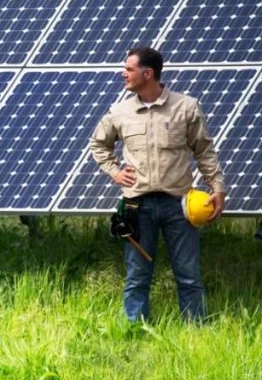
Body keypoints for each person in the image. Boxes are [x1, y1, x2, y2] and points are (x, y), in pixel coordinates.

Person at [90, 47, 226, 323]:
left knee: (188, 276)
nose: (122, 74)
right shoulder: (119, 111)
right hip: (136, 206)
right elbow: (98, 144)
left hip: (179, 206)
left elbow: (204, 151)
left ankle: (196, 331)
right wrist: (115, 172)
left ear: (147, 73)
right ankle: (134, 331)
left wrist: (218, 188)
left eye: (129, 69)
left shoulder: (186, 107)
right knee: (137, 276)